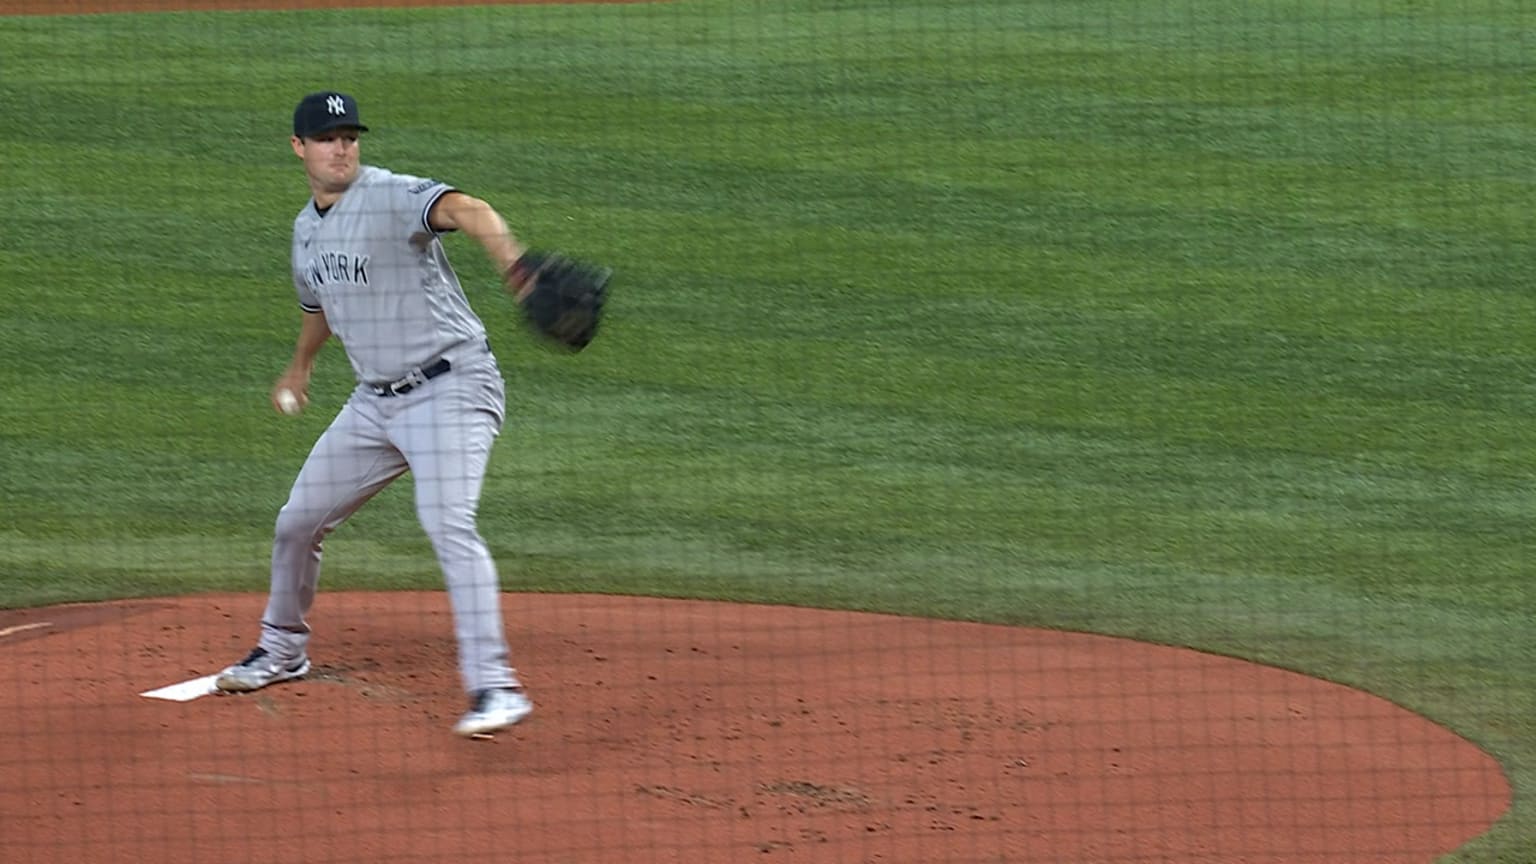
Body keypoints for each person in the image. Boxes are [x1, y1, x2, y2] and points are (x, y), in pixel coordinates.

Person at [216, 91, 533, 738]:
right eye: (327, 138)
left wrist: (515, 266)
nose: (342, 148)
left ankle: (495, 687)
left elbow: (467, 209)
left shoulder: (389, 194)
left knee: (446, 521)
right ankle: (282, 650)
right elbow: (320, 310)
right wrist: (300, 367)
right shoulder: (306, 231)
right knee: (297, 522)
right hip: (373, 403)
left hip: (452, 388)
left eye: (350, 136)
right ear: (298, 147)